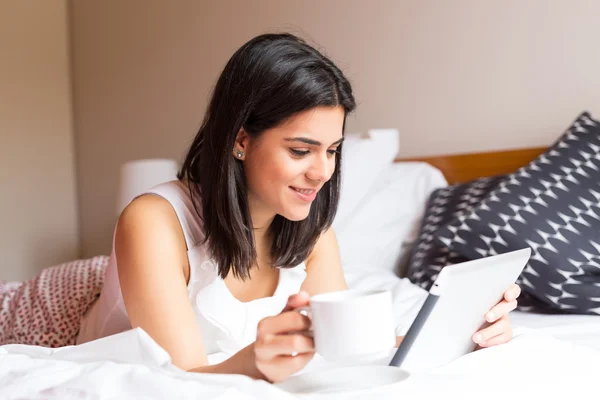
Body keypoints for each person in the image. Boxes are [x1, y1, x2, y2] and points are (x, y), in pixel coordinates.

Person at [76, 33, 521, 383]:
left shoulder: (313, 234)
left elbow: (348, 350)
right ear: (240, 139)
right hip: (67, 306)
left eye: (332, 151)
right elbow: (178, 380)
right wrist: (252, 364)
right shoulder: (153, 222)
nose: (322, 172)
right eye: (300, 150)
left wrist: (465, 334)